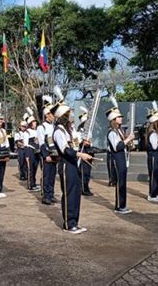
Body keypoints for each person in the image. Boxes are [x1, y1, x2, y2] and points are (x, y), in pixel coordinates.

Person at [52, 98, 92, 234]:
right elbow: (65, 150)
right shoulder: (58, 131)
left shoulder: (70, 130)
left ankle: (75, 222)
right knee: (69, 193)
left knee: (76, 193)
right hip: (66, 165)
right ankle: (69, 224)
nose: (70, 116)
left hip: (74, 163)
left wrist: (83, 143)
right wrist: (81, 155)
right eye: (68, 114)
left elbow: (76, 143)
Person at [106, 96, 134, 214]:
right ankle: (119, 206)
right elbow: (117, 146)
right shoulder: (112, 132)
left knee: (123, 182)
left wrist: (128, 142)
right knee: (120, 182)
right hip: (117, 159)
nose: (121, 118)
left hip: (122, 157)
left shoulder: (118, 131)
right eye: (119, 117)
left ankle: (122, 205)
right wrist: (128, 140)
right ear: (113, 119)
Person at [37, 96, 58, 205]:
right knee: (46, 175)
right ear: (46, 115)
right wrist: (46, 156)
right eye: (51, 114)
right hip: (47, 155)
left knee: (53, 175)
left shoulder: (54, 126)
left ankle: (51, 194)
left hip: (55, 154)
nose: (53, 116)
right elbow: (41, 143)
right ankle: (46, 196)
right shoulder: (41, 127)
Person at [146, 109, 158, 202]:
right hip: (153, 156)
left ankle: (156, 193)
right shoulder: (152, 132)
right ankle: (152, 194)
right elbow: (154, 146)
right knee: (153, 174)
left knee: (156, 174)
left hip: (155, 156)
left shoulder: (154, 132)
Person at [77, 107, 94, 196]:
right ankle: (83, 188)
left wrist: (89, 143)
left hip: (88, 151)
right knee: (84, 171)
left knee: (88, 171)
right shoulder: (80, 130)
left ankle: (86, 186)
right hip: (83, 150)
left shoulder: (89, 130)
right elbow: (78, 140)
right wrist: (83, 142)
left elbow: (90, 140)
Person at [23, 108, 40, 192]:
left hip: (37, 152)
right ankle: (30, 184)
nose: (35, 123)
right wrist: (26, 155)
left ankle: (34, 183)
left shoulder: (37, 131)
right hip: (30, 151)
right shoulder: (27, 132)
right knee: (30, 168)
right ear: (30, 123)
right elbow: (25, 144)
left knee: (35, 168)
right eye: (33, 122)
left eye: (35, 122)